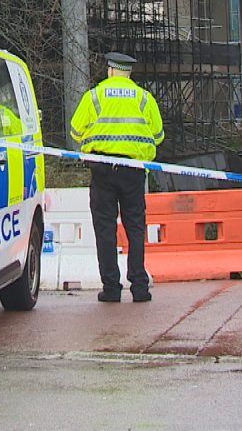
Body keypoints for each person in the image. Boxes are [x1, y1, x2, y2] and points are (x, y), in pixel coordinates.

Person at [70, 51, 165, 302]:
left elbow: (76, 132)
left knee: (105, 229)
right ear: (129, 73)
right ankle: (139, 287)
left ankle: (111, 288)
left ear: (110, 71)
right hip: (133, 171)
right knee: (135, 227)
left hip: (102, 169)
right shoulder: (144, 98)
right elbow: (158, 136)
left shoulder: (94, 97)